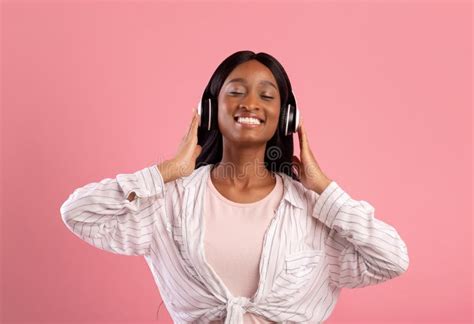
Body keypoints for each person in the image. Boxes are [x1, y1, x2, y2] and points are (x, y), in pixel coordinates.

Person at [60, 50, 409, 323]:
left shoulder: (311, 210)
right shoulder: (172, 201)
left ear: (286, 117)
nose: (250, 104)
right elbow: (78, 214)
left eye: (267, 96)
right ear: (210, 110)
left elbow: (392, 259)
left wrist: (325, 190)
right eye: (236, 92)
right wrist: (166, 171)